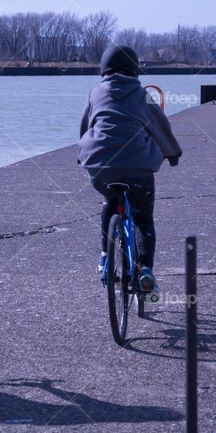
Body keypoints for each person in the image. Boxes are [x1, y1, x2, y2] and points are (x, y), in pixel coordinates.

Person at [78, 46, 182, 301]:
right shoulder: (142, 95)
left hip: (100, 166)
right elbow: (161, 128)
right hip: (138, 170)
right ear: (135, 68)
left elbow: (84, 127)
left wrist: (82, 155)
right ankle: (145, 269)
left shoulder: (96, 92)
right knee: (143, 218)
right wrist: (173, 154)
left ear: (104, 68)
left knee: (109, 201)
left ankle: (104, 258)